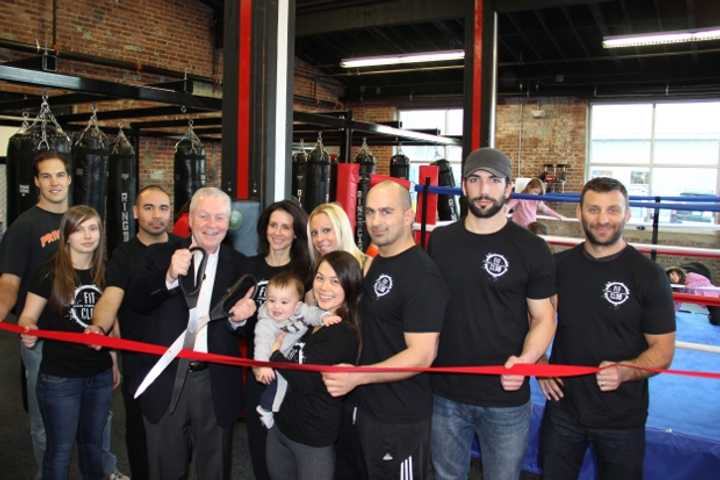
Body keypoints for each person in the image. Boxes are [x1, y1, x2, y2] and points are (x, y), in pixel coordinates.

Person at [428, 148, 557, 480]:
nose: (484, 190)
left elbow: (544, 318)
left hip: (506, 395)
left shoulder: (531, 248)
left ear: (509, 188)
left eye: (494, 180)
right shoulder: (440, 240)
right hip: (446, 392)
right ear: (464, 186)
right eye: (475, 179)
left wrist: (527, 360)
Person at [538, 177, 676, 479]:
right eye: (594, 210)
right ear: (579, 213)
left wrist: (625, 371)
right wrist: (539, 361)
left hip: (622, 416)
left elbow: (663, 351)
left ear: (627, 214)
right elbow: (534, 318)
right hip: (564, 408)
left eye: (613, 210)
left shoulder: (648, 276)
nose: (602, 220)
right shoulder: (559, 267)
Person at [0, 151, 126, 480]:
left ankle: (105, 470)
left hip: (93, 355)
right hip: (47, 345)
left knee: (97, 429)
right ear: (37, 182)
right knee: (51, 430)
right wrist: (16, 322)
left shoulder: (97, 255)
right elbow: (10, 284)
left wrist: (112, 352)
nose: (54, 182)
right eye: (46, 176)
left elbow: (108, 306)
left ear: (70, 179)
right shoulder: (24, 228)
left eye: (60, 175)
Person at [125, 187, 257, 479]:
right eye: (204, 216)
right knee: (164, 468)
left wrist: (241, 320)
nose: (212, 224)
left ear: (229, 222)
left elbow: (247, 329)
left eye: (220, 217)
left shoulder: (241, 265)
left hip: (215, 381)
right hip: (165, 378)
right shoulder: (160, 255)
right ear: (190, 219)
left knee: (214, 469)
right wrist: (169, 275)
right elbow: (136, 301)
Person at [322, 180, 449, 480]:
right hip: (365, 405)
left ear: (408, 216)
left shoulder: (422, 275)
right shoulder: (376, 263)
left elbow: (421, 355)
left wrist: (357, 376)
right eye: (370, 212)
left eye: (386, 212)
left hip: (399, 417)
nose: (376, 221)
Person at [88, 185, 181, 480]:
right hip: (141, 361)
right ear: (135, 212)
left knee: (180, 438)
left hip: (181, 360)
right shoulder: (124, 254)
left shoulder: (184, 248)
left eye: (164, 208)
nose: (157, 216)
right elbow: (111, 297)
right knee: (140, 434)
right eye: (149, 208)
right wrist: (98, 327)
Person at [18, 205, 117, 479]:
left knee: (93, 447)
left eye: (93, 228)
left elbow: (112, 325)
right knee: (59, 451)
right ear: (67, 236)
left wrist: (114, 362)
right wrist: (27, 330)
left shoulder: (106, 273)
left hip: (99, 375)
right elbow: (28, 315)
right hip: (60, 378)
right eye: (79, 229)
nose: (88, 236)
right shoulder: (48, 273)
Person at [266, 251, 362, 480]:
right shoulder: (315, 319)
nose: (324, 287)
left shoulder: (344, 332)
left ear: (349, 285)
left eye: (335, 281)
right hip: (283, 427)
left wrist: (275, 356)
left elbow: (307, 379)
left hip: (312, 439)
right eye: (320, 278)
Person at [244, 199, 312, 480]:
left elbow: (312, 320)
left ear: (296, 233)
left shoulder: (306, 272)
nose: (279, 232)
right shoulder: (248, 267)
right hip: (259, 370)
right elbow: (237, 325)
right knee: (260, 446)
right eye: (274, 225)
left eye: (286, 227)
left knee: (291, 451)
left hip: (293, 375)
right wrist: (238, 317)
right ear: (265, 229)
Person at [253, 271, 340, 429]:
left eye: (284, 302)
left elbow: (312, 313)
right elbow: (261, 344)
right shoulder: (266, 323)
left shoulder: (300, 310)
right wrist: (263, 365)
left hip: (291, 358)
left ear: (297, 304)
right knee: (278, 385)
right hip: (274, 361)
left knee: (289, 386)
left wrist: (324, 317)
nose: (277, 307)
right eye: (271, 300)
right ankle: (266, 409)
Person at [307, 203, 366, 267]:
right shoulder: (316, 269)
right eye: (314, 233)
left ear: (342, 230)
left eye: (326, 230)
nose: (319, 239)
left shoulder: (367, 268)